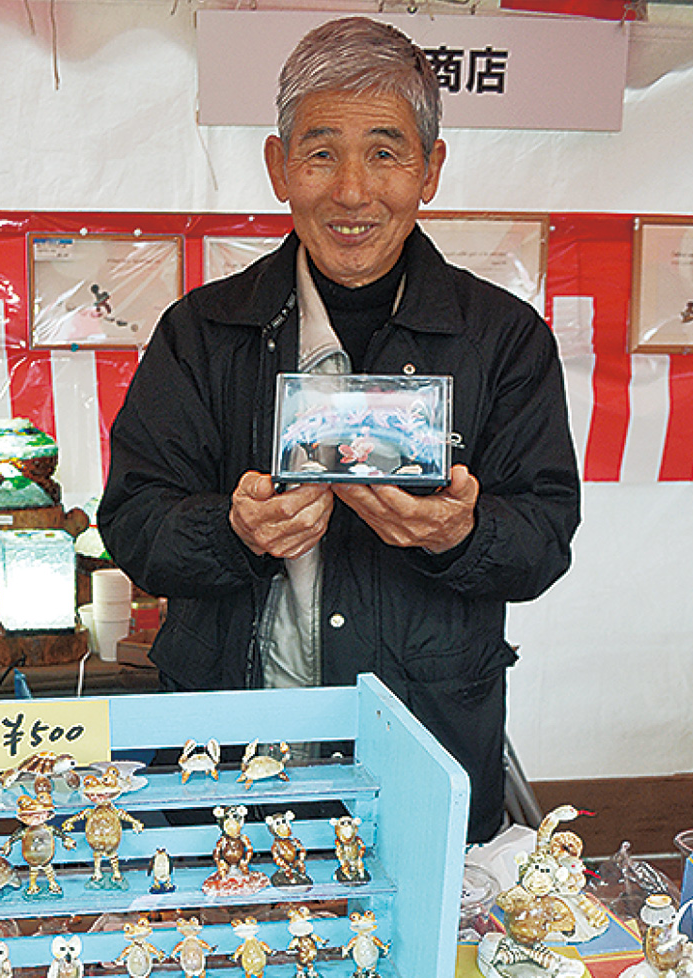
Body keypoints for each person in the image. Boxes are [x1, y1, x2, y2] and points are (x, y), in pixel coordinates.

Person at [98, 17, 580, 842]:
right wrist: (231, 531)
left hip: (424, 744)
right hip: (232, 753)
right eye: (321, 153)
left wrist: (462, 535)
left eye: (385, 153)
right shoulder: (203, 333)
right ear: (279, 166)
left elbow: (545, 536)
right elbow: (133, 522)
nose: (353, 191)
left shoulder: (502, 339)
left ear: (430, 170)